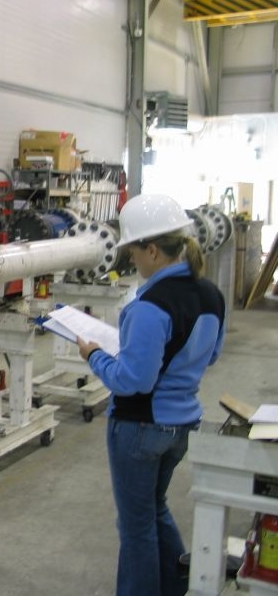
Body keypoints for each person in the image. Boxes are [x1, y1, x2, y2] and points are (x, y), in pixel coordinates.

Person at [77, 193, 226, 596]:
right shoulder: (211, 295)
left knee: (136, 527)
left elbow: (133, 382)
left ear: (154, 251)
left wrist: (95, 356)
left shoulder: (149, 306)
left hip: (141, 427)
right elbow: (211, 355)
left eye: (134, 252)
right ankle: (177, 585)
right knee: (154, 509)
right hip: (183, 424)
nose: (132, 260)